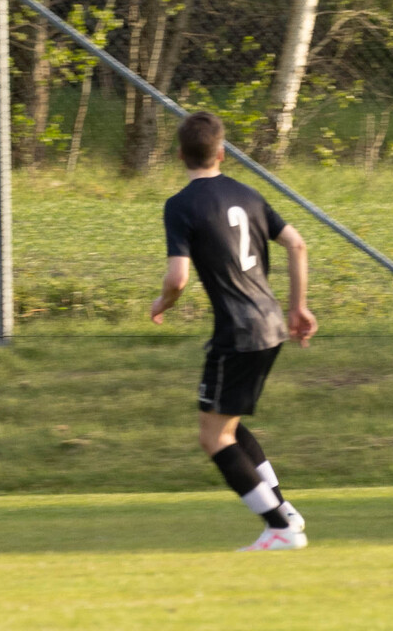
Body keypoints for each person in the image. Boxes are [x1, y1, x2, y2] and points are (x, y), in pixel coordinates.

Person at [150, 111, 318, 551]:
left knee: (213, 437)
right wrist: (298, 306)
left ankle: (279, 526)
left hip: (238, 333)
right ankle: (285, 512)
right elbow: (297, 244)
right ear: (222, 153)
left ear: (180, 154)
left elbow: (177, 278)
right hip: (272, 326)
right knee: (229, 423)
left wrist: (162, 303)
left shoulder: (181, 205)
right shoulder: (248, 194)